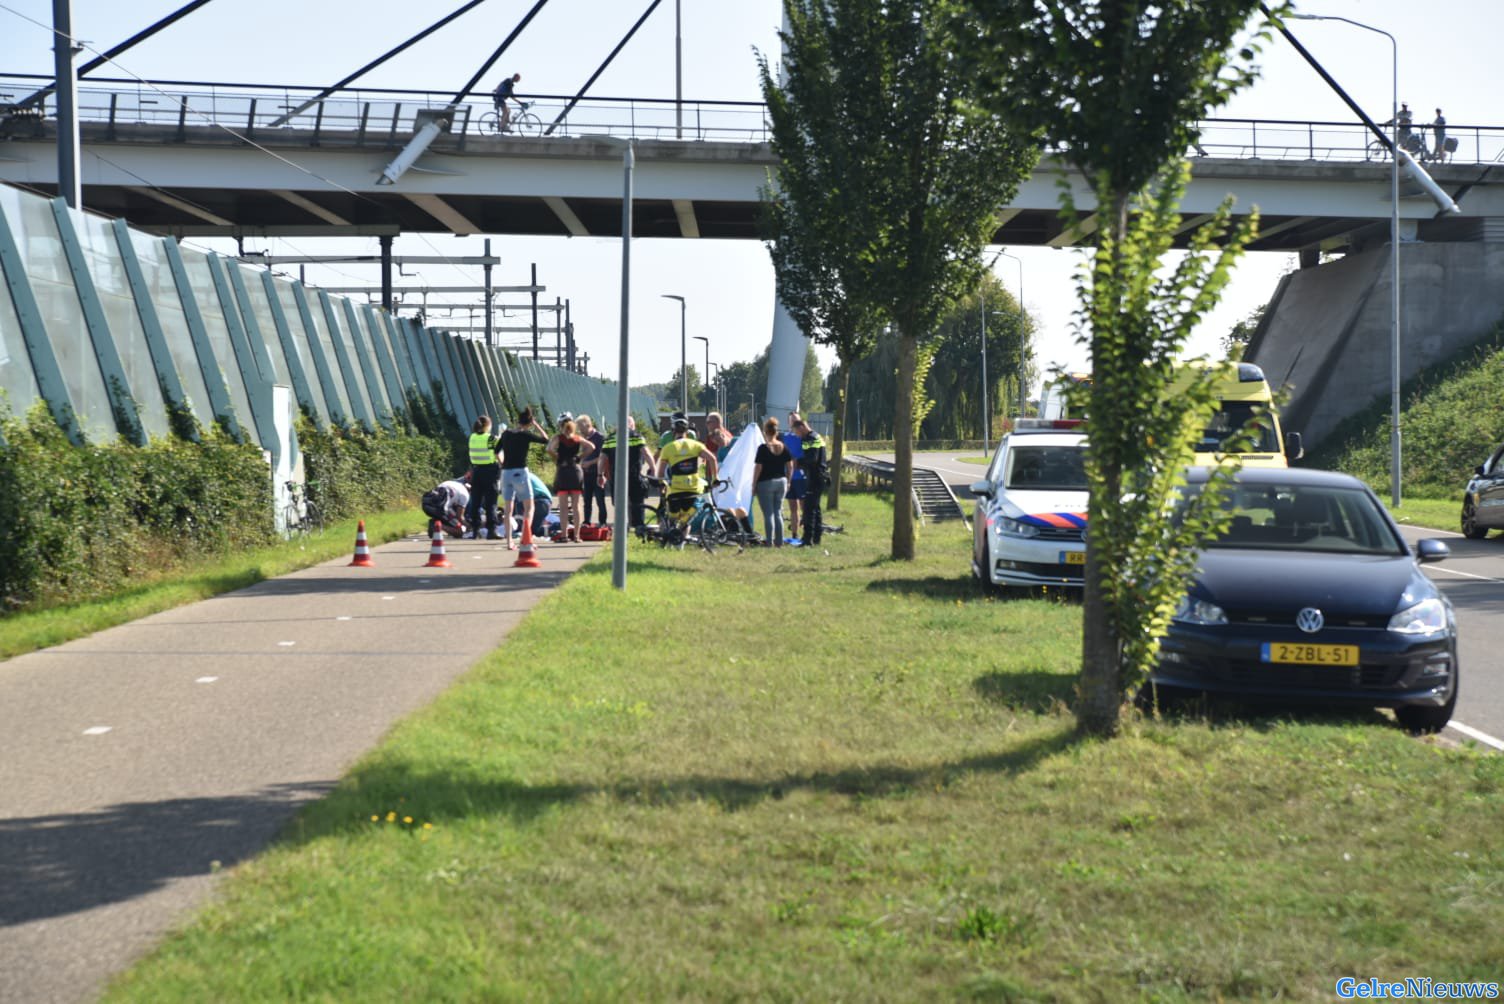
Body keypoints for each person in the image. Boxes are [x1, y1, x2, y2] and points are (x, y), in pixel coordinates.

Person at [498, 406, 549, 549]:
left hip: (506, 473)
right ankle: (526, 539)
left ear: (517, 421)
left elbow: (496, 450)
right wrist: (537, 425)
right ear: (529, 423)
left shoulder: (506, 434)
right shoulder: (525, 435)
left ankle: (509, 542)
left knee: (508, 509)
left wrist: (502, 464)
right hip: (520, 471)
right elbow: (545, 439)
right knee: (529, 507)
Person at [656, 415, 718, 531]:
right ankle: (682, 539)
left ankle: (667, 537)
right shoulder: (696, 445)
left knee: (671, 519)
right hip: (692, 488)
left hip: (675, 489)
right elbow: (712, 459)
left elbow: (660, 472)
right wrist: (715, 478)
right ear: (687, 431)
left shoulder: (668, 448)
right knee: (686, 521)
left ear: (673, 431)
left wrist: (661, 483)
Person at [599, 416, 655, 528]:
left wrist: (599, 475)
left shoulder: (609, 439)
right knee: (637, 503)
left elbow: (602, 459)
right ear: (631, 425)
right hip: (634, 476)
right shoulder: (636, 437)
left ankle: (622, 527)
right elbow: (646, 453)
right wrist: (653, 469)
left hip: (617, 478)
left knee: (620, 505)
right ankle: (638, 527)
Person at [548, 414, 596, 542]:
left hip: (563, 472)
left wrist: (557, 457)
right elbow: (592, 447)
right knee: (576, 505)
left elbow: (549, 449)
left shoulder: (558, 438)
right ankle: (577, 536)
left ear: (561, 426)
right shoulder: (577, 438)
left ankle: (564, 535)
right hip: (575, 471)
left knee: (563, 507)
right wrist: (580, 457)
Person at [751, 417, 794, 547]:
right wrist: (788, 481)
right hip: (781, 482)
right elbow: (790, 466)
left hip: (766, 482)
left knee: (768, 513)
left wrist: (754, 484)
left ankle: (769, 541)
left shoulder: (763, 448)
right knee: (778, 512)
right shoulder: (783, 447)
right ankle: (779, 542)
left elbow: (758, 468)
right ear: (776, 432)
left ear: (765, 432)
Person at [464, 415, 502, 539]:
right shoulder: (491, 438)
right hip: (490, 471)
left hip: (476, 471)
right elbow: (498, 452)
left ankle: (475, 529)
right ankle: (492, 530)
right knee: (491, 502)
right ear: (488, 426)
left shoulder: (472, 437)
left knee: (476, 501)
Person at [794, 415, 829, 547]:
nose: (797, 435)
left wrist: (798, 462)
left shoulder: (812, 438)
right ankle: (817, 537)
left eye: (797, 432)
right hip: (818, 476)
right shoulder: (814, 437)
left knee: (809, 509)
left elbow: (812, 459)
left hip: (815, 476)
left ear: (802, 427)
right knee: (816, 508)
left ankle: (807, 539)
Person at [576, 414, 608, 526]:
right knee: (587, 500)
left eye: (580, 427)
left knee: (600, 500)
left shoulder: (600, 438)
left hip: (598, 472)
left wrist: (589, 463)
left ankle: (602, 522)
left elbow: (603, 457)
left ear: (587, 425)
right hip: (586, 474)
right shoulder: (583, 439)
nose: (579, 430)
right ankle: (586, 521)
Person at [782, 411, 806, 542]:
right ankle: (794, 534)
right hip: (789, 477)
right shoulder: (785, 437)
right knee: (793, 507)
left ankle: (807, 533)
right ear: (789, 423)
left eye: (796, 420)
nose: (794, 422)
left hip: (802, 477)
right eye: (792, 420)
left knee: (804, 506)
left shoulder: (805, 437)